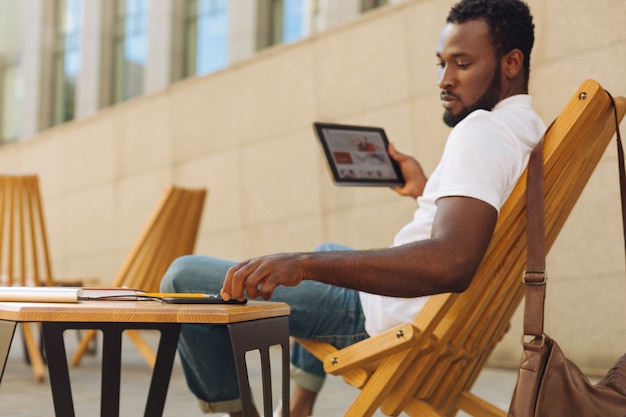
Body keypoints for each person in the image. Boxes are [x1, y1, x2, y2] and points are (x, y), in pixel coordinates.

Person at [160, 0, 546, 416]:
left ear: (510, 63)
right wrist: (423, 189)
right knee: (329, 249)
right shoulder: (527, 131)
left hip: (392, 326)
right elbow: (476, 235)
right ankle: (298, 408)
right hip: (444, 330)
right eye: (441, 64)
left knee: (182, 277)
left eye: (462, 64)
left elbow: (452, 262)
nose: (444, 80)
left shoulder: (481, 131)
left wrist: (302, 264)